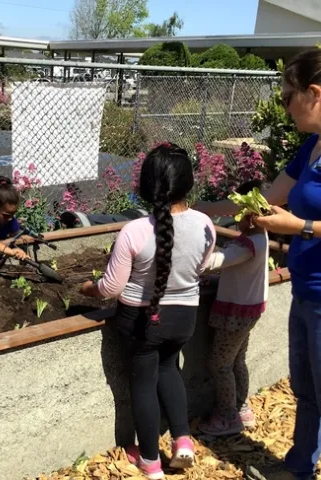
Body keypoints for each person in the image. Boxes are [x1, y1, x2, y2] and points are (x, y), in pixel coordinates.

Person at [196, 49, 321, 480]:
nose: (285, 105)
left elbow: (294, 217)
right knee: (306, 389)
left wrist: (300, 226)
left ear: (314, 93)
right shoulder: (310, 147)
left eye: (289, 96)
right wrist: (197, 208)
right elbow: (269, 196)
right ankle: (299, 468)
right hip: (307, 289)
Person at [80, 143, 216, 479]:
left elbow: (111, 288)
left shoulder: (134, 231)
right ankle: (183, 442)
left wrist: (89, 288)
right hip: (184, 316)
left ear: (146, 185)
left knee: (143, 384)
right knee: (170, 369)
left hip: (142, 321)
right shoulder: (205, 224)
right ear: (187, 184)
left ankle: (151, 461)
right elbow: (203, 266)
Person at [197, 180, 269, 437]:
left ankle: (227, 417)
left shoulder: (247, 245)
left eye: (236, 213)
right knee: (237, 359)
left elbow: (216, 261)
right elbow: (240, 273)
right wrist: (216, 280)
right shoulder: (259, 238)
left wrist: (194, 255)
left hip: (235, 314)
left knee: (219, 364)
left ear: (249, 214)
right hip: (247, 309)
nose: (234, 218)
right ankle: (241, 408)